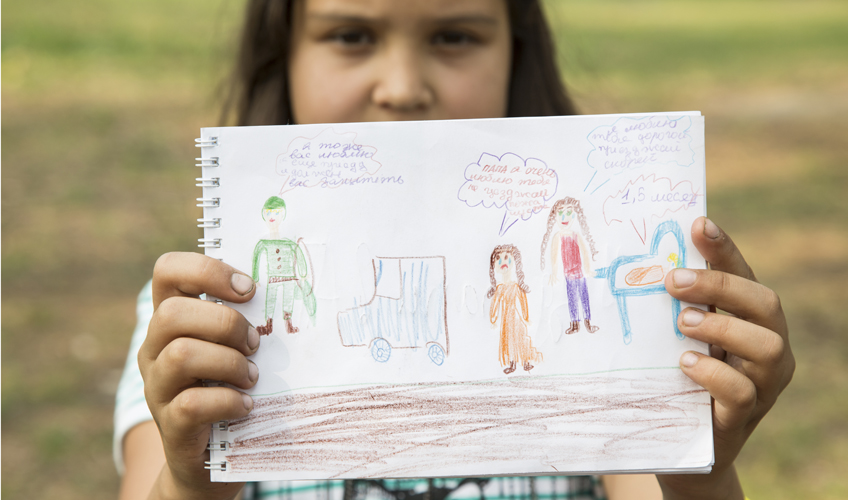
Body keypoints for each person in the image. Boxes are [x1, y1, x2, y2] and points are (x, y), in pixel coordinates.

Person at [115, 1, 796, 499]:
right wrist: (191, 479)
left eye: (455, 35)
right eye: (350, 35)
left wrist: (694, 463)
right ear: (282, 53)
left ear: (516, 50)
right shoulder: (194, 320)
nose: (404, 88)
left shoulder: (569, 271)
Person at [251, 196, 316, 335]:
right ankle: (269, 325)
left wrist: (303, 275)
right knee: (270, 299)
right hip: (273, 277)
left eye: (276, 213)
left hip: (288, 278)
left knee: (288, 299)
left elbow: (298, 253)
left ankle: (289, 324)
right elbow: (256, 256)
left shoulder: (288, 242)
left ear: (283, 214)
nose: (272, 216)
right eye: (268, 213)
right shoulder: (264, 242)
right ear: (264, 215)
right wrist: (255, 278)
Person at [540, 197, 600, 335]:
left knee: (584, 297)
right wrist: (554, 273)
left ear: (574, 215)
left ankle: (588, 323)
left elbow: (584, 252)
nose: (564, 217)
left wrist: (588, 269)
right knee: (572, 299)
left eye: (568, 213)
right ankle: (574, 324)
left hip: (580, 273)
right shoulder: (557, 236)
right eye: (560, 213)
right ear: (554, 216)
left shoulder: (576, 235)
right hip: (568, 275)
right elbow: (554, 256)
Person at [487, 244, 543, 374]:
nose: (503, 262)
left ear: (514, 260)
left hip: (517, 319)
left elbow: (523, 302)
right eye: (498, 259)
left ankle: (526, 362)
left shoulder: (516, 287)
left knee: (520, 339)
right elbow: (494, 306)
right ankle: (512, 364)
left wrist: (526, 317)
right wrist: (493, 320)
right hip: (506, 321)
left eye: (507, 257)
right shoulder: (499, 288)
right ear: (494, 266)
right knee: (509, 342)